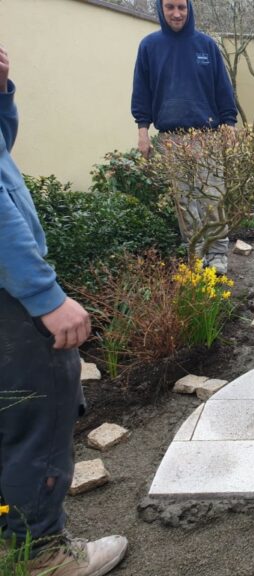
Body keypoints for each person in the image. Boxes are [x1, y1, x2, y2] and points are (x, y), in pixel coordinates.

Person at [0, 46, 128, 575]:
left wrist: (2, 98)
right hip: (10, 298)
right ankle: (42, 555)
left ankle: (10, 536)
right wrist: (44, 296)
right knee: (38, 411)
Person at [131, 0, 238, 274]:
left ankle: (218, 255)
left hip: (207, 136)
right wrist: (142, 130)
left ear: (189, 8)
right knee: (185, 202)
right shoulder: (149, 46)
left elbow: (223, 88)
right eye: (170, 7)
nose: (176, 13)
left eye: (181, 7)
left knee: (213, 196)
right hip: (172, 138)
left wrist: (229, 123)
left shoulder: (206, 46)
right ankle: (196, 254)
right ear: (161, 9)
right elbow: (141, 92)